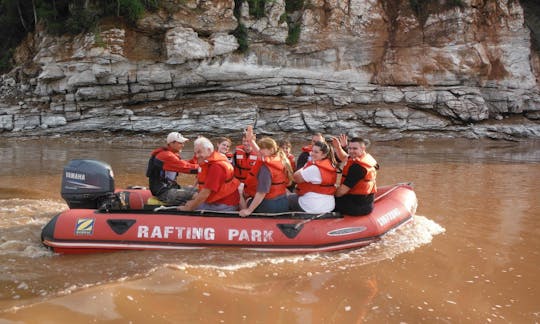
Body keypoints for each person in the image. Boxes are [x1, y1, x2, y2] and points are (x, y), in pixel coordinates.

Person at [178, 137, 241, 211]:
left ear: (208, 150)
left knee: (185, 205)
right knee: (186, 199)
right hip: (220, 200)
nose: (197, 156)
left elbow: (205, 194)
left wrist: (189, 208)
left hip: (224, 204)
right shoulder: (210, 161)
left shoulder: (216, 167)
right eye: (195, 153)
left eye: (199, 152)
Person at [239, 136, 294, 217]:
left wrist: (249, 210)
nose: (259, 151)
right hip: (283, 203)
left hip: (270, 206)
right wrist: (251, 141)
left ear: (271, 150)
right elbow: (259, 153)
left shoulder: (266, 168)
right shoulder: (281, 159)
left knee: (242, 193)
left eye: (262, 149)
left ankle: (244, 217)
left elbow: (262, 193)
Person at [146, 132, 198, 205]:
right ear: (171, 143)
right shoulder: (165, 156)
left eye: (183, 143)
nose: (183, 145)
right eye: (180, 143)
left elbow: (187, 164)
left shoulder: (172, 155)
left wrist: (197, 155)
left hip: (171, 188)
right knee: (197, 195)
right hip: (163, 192)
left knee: (198, 190)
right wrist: (204, 169)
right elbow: (187, 168)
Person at [331, 136, 379, 216]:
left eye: (355, 149)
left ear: (363, 148)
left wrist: (328, 192)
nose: (351, 151)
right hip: (367, 201)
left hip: (357, 207)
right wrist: (338, 148)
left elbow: (341, 192)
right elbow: (345, 157)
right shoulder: (367, 158)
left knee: (326, 201)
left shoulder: (358, 168)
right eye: (349, 148)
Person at [288, 140, 337, 213]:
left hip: (311, 207)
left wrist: (307, 165)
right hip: (329, 206)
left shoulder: (313, 168)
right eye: (312, 151)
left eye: (316, 152)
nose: (312, 154)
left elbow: (295, 177)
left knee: (286, 198)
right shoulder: (332, 165)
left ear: (324, 155)